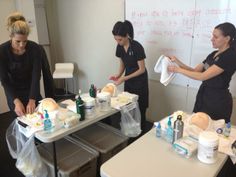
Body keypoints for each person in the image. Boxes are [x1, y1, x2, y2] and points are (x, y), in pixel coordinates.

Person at [168, 22, 236, 123]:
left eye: (216, 37)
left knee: (212, 132)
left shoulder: (230, 56)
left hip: (217, 100)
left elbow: (203, 76)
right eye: (212, 36)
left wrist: (177, 70)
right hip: (204, 96)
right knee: (197, 126)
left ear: (227, 38)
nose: (212, 39)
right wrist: (177, 62)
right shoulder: (213, 54)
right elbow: (195, 71)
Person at [0, 12, 52, 117]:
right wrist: (16, 101)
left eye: (25, 41)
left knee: (39, 118)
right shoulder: (2, 51)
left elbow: (36, 75)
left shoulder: (35, 49)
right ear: (11, 37)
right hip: (13, 92)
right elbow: (4, 80)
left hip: (32, 89)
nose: (22, 45)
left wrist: (32, 99)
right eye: (17, 41)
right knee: (21, 122)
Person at [111, 20, 149, 132]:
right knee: (129, 107)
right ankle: (131, 132)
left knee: (140, 109)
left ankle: (141, 134)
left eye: (120, 39)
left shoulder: (137, 47)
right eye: (116, 39)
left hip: (140, 82)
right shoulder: (119, 47)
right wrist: (118, 75)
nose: (118, 42)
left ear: (127, 35)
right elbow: (122, 64)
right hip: (128, 81)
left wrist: (124, 78)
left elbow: (142, 69)